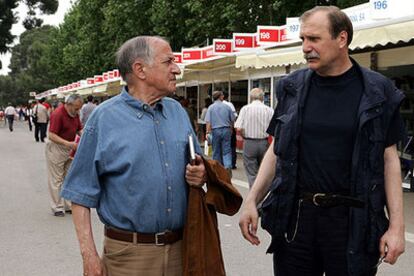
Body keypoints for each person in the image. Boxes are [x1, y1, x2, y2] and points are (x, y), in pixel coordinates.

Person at [239, 6, 405, 276]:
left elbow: (389, 160)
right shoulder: (292, 87)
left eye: (314, 39)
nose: (306, 47)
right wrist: (252, 199)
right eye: (303, 39)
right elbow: (277, 149)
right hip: (297, 220)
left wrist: (396, 227)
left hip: (353, 221)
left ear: (342, 39)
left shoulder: (378, 91)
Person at [61, 36, 206, 276]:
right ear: (140, 69)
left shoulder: (178, 113)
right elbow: (79, 194)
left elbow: (199, 166)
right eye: (168, 61)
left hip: (182, 251)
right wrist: (89, 257)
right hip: (128, 258)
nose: (177, 68)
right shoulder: (103, 119)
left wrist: (200, 173)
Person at [45, 94, 83, 217]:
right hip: (57, 147)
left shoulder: (75, 114)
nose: (78, 111)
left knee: (69, 177)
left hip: (70, 148)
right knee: (56, 179)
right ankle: (57, 207)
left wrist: (86, 137)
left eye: (79, 108)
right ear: (68, 104)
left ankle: (68, 205)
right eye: (76, 108)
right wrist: (68, 144)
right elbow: (51, 135)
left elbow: (79, 129)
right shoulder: (58, 114)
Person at [234, 88, 273, 188]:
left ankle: (254, 194)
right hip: (264, 142)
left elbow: (238, 127)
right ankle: (263, 193)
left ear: (250, 97)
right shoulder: (269, 110)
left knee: (251, 172)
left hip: (249, 142)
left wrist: (243, 135)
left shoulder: (245, 109)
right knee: (263, 170)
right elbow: (274, 128)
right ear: (262, 98)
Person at [205, 90, 235, 176]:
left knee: (216, 151)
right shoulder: (227, 107)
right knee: (227, 150)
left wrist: (207, 132)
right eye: (222, 95)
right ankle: (227, 166)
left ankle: (217, 168)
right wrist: (231, 129)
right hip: (226, 129)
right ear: (220, 97)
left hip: (215, 130)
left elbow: (208, 122)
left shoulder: (210, 108)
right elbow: (232, 120)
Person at [223, 92, 238, 169]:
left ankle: (222, 164)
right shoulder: (230, 105)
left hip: (218, 129)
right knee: (231, 146)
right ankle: (231, 164)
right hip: (228, 128)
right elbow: (234, 117)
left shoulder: (213, 106)